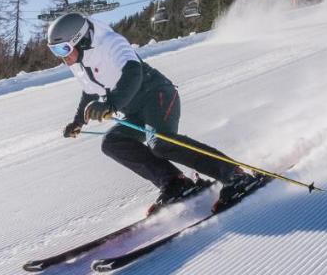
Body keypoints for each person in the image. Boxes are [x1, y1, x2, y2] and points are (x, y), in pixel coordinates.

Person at [48, 12, 255, 212]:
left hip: (157, 95)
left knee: (161, 143)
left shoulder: (110, 43)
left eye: (63, 49)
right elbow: (89, 91)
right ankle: (175, 182)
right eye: (55, 51)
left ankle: (233, 174)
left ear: (81, 39)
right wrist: (78, 122)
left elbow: (133, 73)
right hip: (133, 110)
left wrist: (111, 104)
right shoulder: (78, 61)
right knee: (112, 143)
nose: (62, 57)